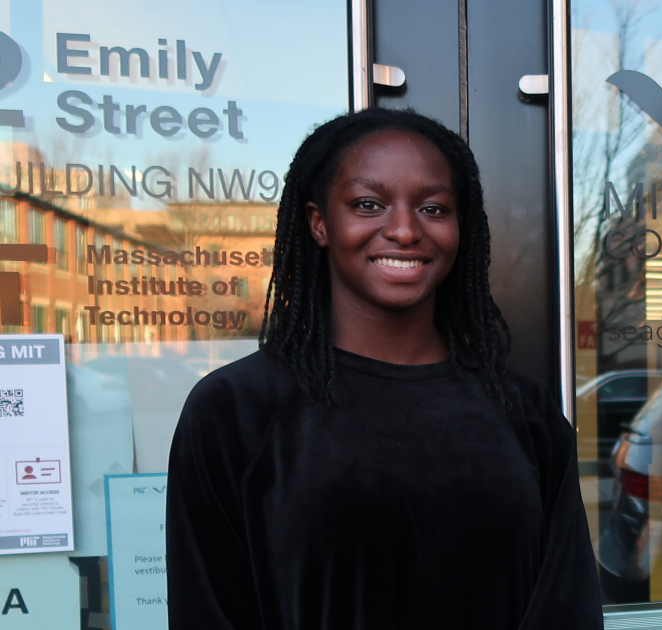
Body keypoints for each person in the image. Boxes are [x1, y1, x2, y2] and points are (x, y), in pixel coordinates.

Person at [166, 109, 603, 629]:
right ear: (319, 222)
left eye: (433, 208)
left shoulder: (523, 414)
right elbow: (210, 611)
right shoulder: (235, 410)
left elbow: (567, 609)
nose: (404, 230)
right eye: (368, 204)